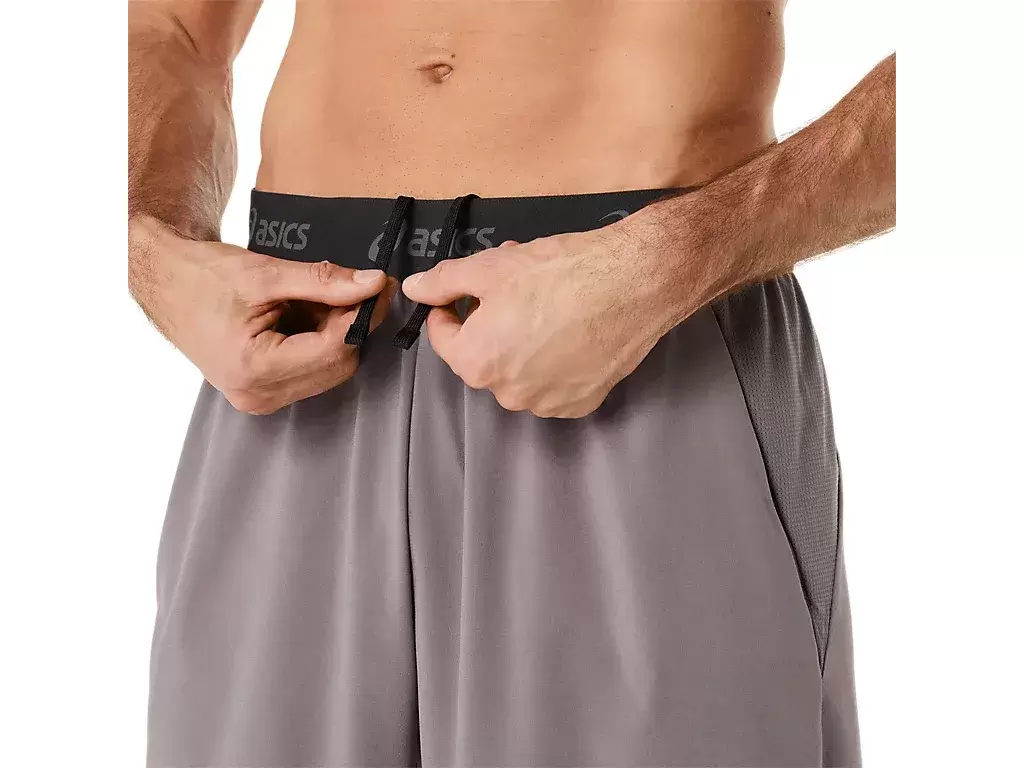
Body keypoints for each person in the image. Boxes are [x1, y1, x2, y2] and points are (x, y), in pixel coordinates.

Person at [128, 1, 895, 765]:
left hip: (638, 351)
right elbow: (173, 28)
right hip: (296, 361)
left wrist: (680, 255)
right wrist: (150, 246)